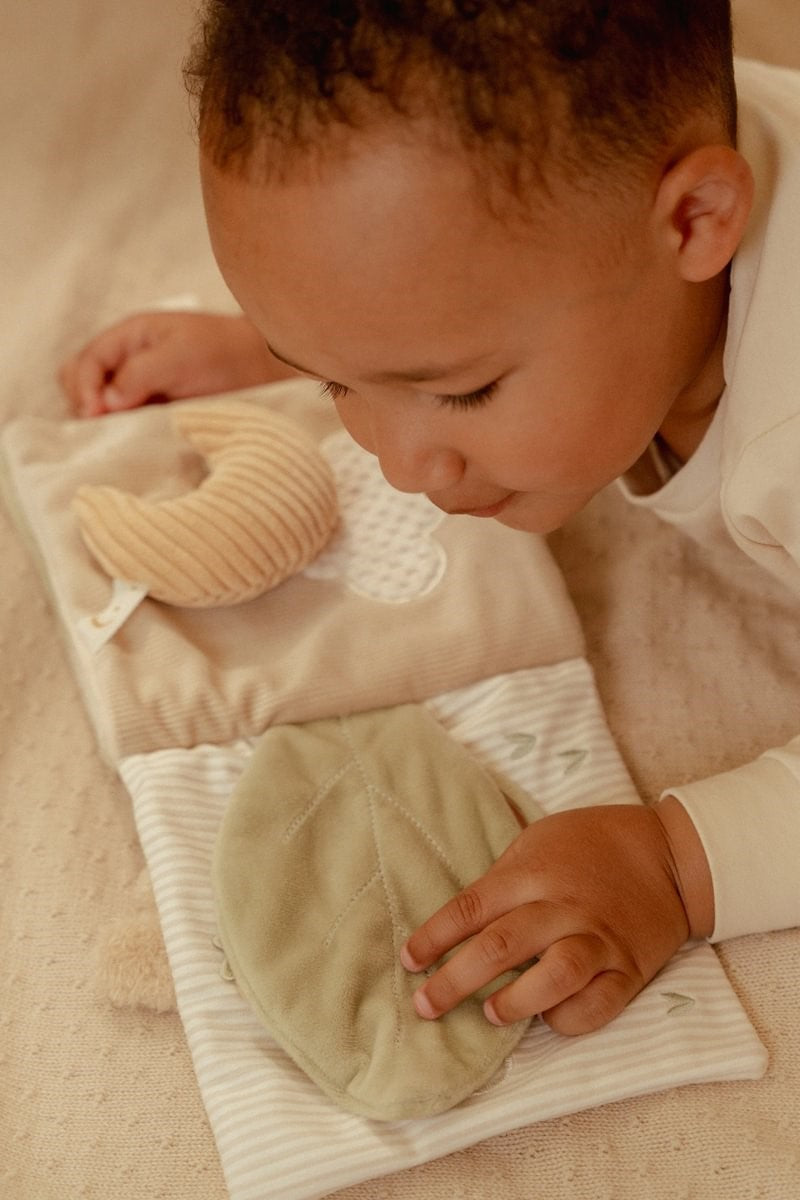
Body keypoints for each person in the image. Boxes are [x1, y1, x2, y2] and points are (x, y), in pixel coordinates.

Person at [59, 1, 800, 1038]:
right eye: (338, 383)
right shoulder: (646, 169)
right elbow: (447, 269)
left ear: (693, 221)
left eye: (459, 390)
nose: (402, 466)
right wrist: (294, 343)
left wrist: (677, 863)